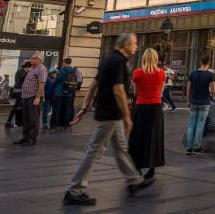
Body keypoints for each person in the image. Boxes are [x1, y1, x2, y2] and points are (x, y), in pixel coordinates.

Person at [63, 33, 154, 205]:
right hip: (111, 113)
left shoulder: (108, 59)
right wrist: (128, 116)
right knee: (95, 150)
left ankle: (134, 180)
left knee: (120, 147)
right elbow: (118, 90)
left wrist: (84, 108)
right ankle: (74, 191)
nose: (136, 46)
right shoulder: (117, 61)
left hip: (112, 113)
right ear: (126, 44)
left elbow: (93, 85)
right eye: (134, 43)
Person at [128, 48, 166, 179]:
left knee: (138, 136)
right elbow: (161, 91)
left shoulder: (137, 73)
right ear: (155, 59)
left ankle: (137, 166)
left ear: (143, 58)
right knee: (154, 136)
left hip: (141, 106)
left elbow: (135, 92)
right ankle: (152, 168)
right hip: (156, 107)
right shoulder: (161, 73)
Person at [14, 52, 47, 146]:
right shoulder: (32, 67)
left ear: (39, 59)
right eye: (32, 57)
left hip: (33, 96)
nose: (31, 59)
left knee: (33, 118)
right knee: (25, 118)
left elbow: (42, 84)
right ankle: (25, 137)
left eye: (34, 58)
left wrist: (38, 97)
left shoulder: (41, 69)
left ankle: (32, 139)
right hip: (26, 96)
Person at [185, 55, 215, 154]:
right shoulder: (210, 75)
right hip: (204, 102)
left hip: (193, 101)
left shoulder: (193, 73)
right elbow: (214, 90)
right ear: (209, 63)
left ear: (200, 62)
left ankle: (189, 147)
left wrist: (188, 100)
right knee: (200, 125)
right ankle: (197, 147)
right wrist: (212, 91)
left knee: (191, 125)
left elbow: (188, 88)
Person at [54, 57, 79, 131]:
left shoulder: (62, 69)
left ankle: (58, 125)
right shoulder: (74, 70)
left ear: (65, 62)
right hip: (69, 93)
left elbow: (58, 78)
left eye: (63, 62)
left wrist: (56, 76)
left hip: (60, 92)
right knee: (67, 109)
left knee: (58, 109)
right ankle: (66, 125)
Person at [5, 61, 30, 128]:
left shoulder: (19, 71)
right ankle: (9, 122)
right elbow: (22, 79)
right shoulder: (23, 72)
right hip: (20, 91)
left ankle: (18, 122)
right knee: (17, 106)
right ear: (27, 67)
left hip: (17, 90)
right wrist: (27, 74)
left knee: (19, 106)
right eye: (30, 67)